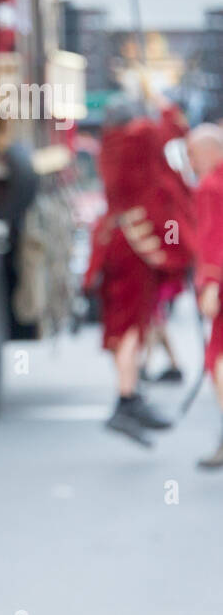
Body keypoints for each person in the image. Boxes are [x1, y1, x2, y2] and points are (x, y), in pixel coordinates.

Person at [84, 99, 194, 443]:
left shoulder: (109, 146)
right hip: (135, 244)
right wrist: (163, 103)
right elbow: (176, 128)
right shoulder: (139, 137)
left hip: (113, 239)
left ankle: (129, 393)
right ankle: (127, 397)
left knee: (125, 321)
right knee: (133, 322)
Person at [187, 124, 223, 468]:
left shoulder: (211, 187)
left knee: (218, 360)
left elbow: (214, 236)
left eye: (194, 155)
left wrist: (211, 283)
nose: (191, 162)